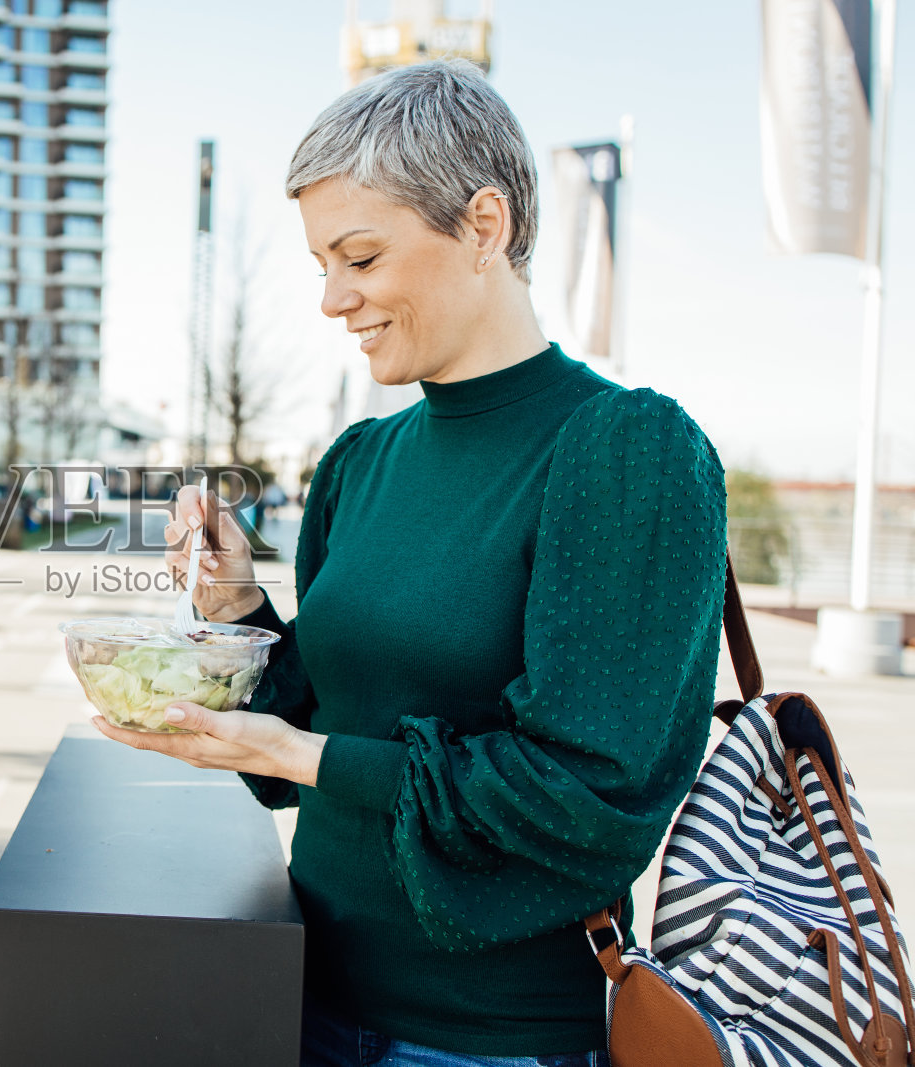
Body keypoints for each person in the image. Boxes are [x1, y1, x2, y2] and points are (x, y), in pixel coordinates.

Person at [90, 59, 726, 1067]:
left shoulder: (624, 450)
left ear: (483, 225)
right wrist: (236, 602)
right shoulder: (359, 461)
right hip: (284, 997)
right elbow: (309, 728)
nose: (334, 299)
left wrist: (297, 756)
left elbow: (592, 797)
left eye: (360, 256)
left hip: (485, 1042)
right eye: (321, 266)